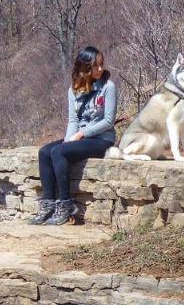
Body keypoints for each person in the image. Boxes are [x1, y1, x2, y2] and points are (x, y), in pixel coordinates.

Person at [29, 46, 118, 225]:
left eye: (101, 65)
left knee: (58, 152)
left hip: (102, 140)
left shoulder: (108, 86)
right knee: (45, 152)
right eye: (95, 66)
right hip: (80, 137)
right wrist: (69, 139)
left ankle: (66, 204)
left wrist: (81, 134)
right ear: (84, 67)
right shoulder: (74, 89)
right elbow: (73, 119)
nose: (100, 69)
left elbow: (109, 121)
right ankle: (48, 204)